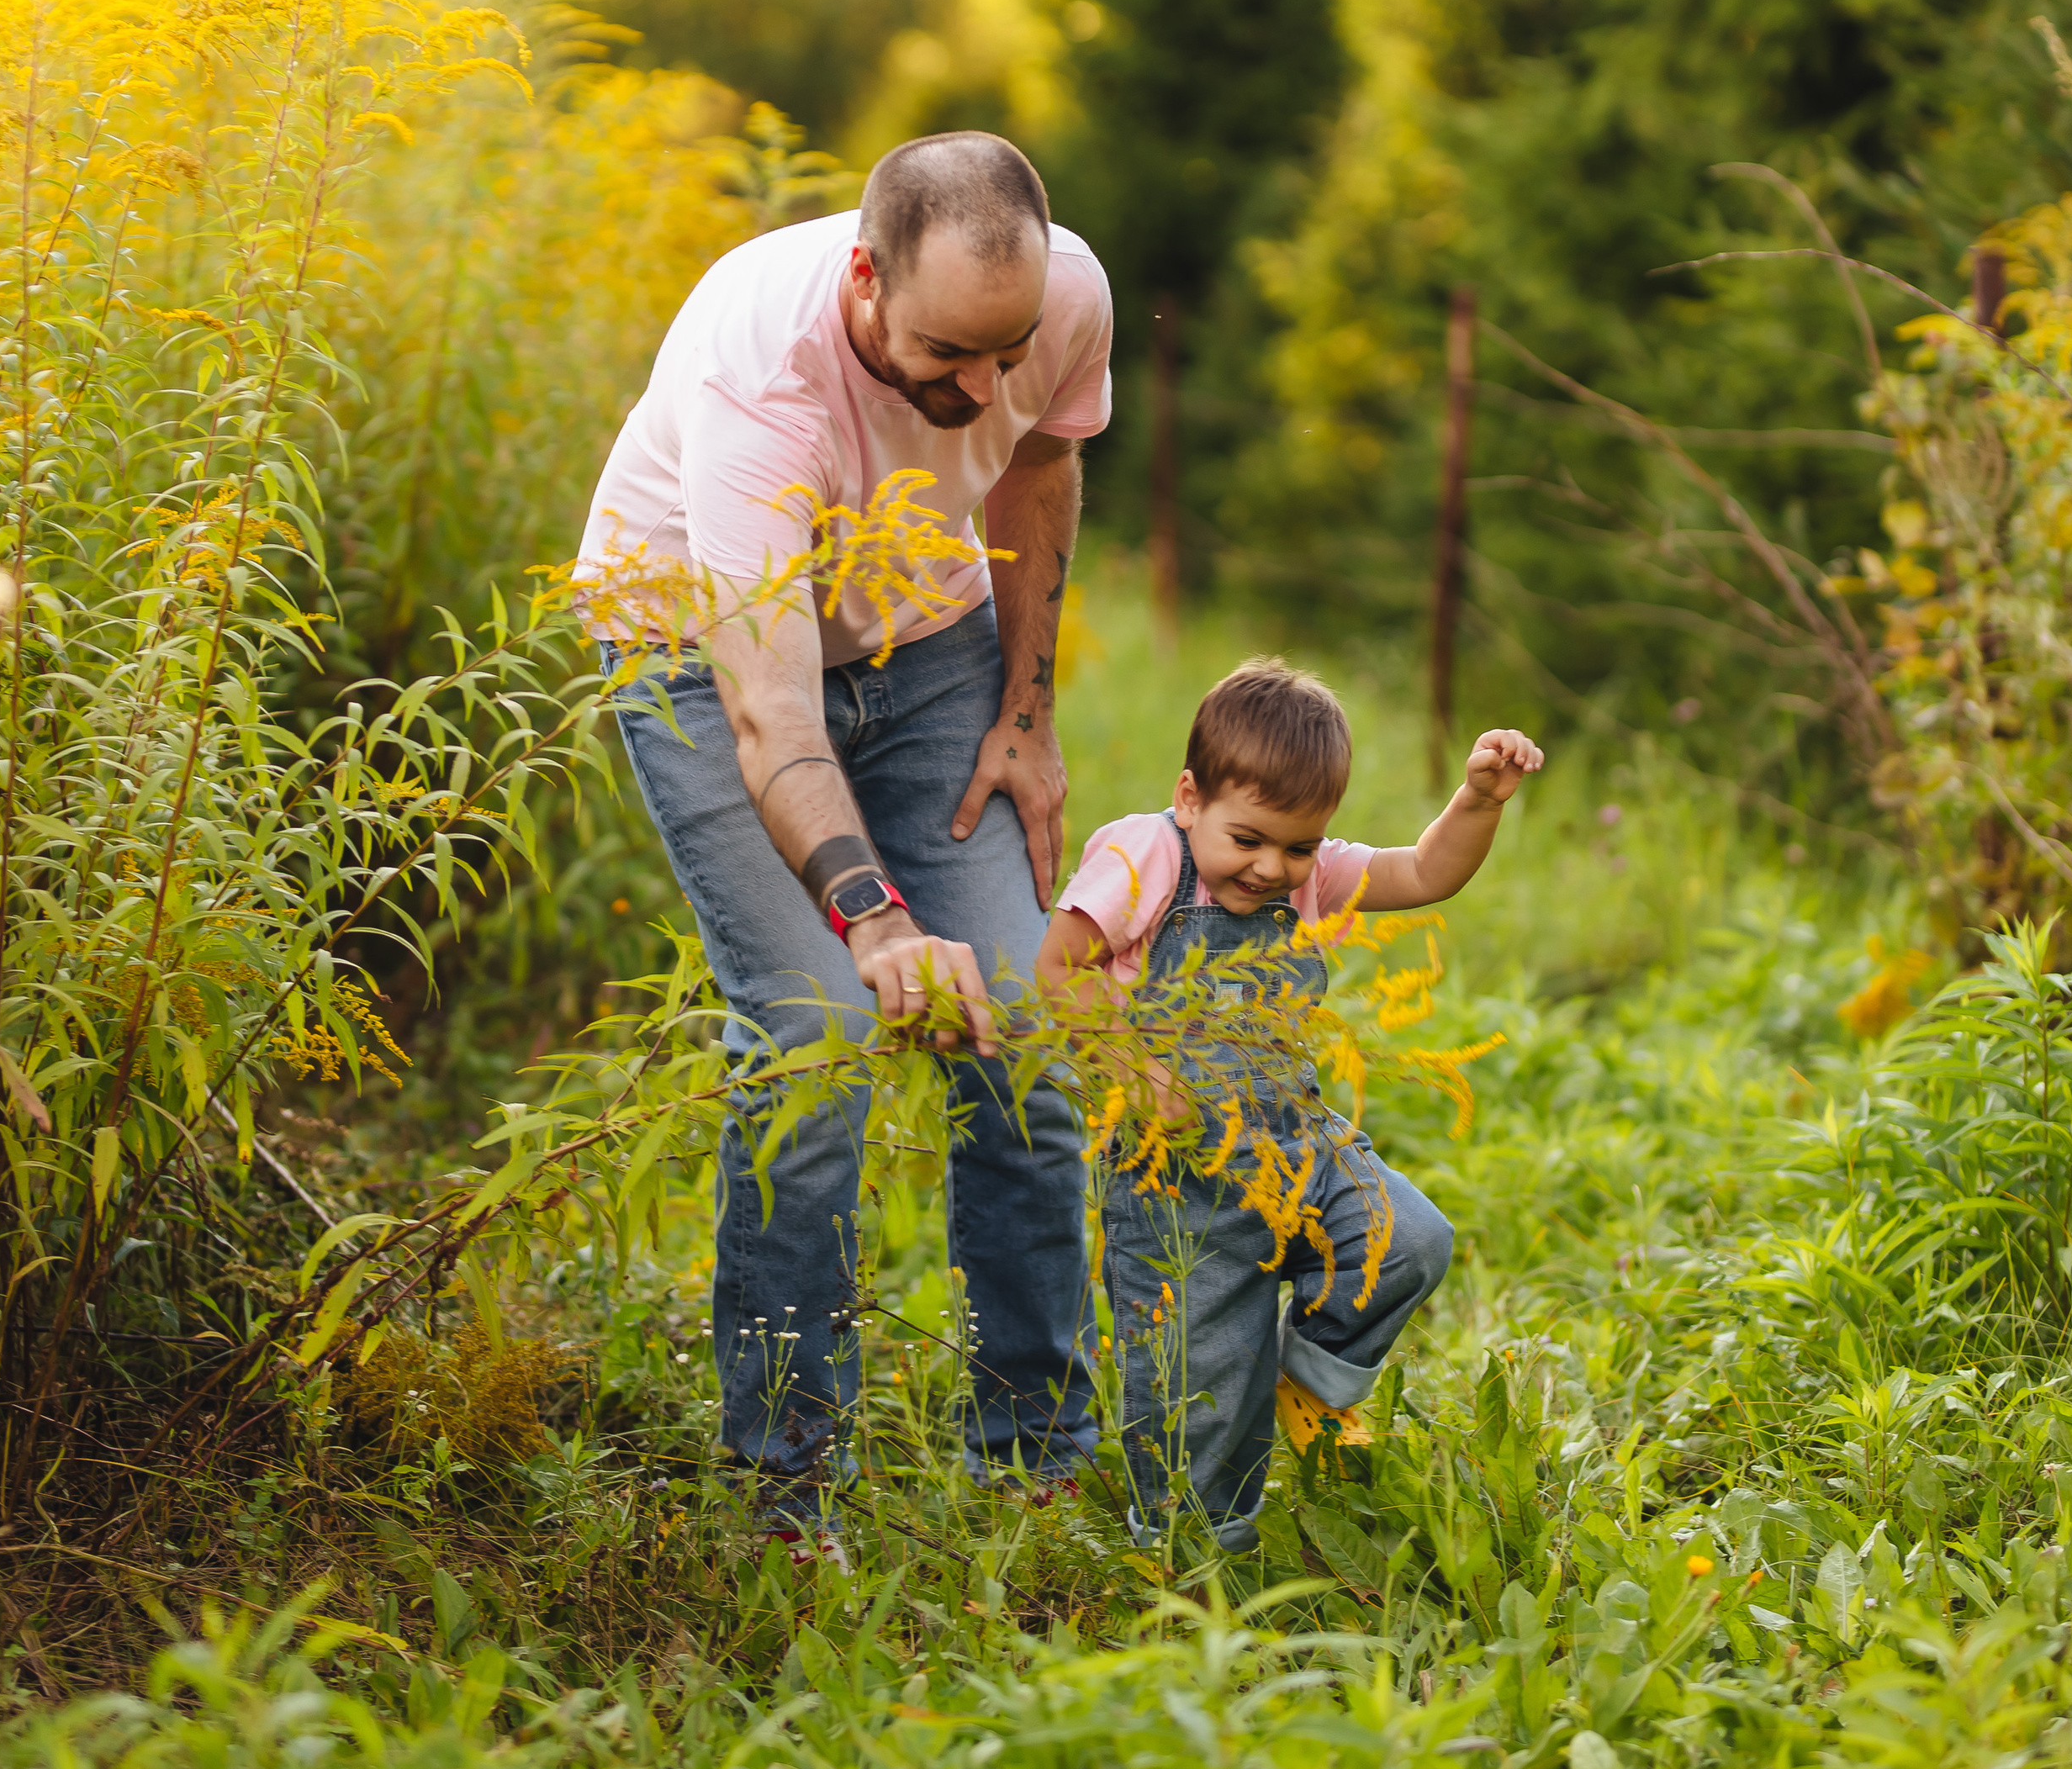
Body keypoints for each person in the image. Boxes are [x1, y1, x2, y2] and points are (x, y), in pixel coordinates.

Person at [579, 131, 1111, 1518]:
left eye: (1009, 350)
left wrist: (1028, 714)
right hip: (702, 657)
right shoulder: (761, 387)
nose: (984, 384)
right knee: (816, 1032)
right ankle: (785, 1483)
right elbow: (776, 726)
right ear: (867, 280)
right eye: (950, 354)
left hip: (927, 641)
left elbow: (1041, 470)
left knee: (1028, 1021)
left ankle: (1034, 1461)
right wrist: (873, 925)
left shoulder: (1063, 296)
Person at [1038, 657, 1543, 1556]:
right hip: (1174, 1180)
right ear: (1189, 797)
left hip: (1291, 1139)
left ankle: (1306, 1385)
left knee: (1407, 1241)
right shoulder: (1145, 854)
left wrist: (1479, 802)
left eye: (1301, 848)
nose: (1273, 869)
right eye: (1249, 840)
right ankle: (1190, 1559)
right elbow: (1060, 971)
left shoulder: (1299, 876)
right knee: (1194, 1387)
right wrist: (1135, 1068)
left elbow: (1424, 873)